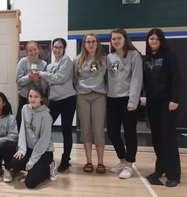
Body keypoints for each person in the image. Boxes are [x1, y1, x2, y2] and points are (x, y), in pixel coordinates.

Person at [142, 28, 181, 187]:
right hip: (153, 104)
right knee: (157, 139)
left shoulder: (169, 56)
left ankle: (174, 174)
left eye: (156, 39)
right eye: (151, 39)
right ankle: (160, 169)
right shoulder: (147, 58)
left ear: (161, 40)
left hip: (167, 103)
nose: (153, 42)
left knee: (168, 138)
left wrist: (175, 99)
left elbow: (177, 78)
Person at [106, 28, 143, 179]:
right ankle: (122, 160)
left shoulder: (134, 55)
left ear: (125, 39)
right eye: (113, 39)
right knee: (112, 132)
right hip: (112, 100)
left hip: (128, 100)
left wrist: (133, 101)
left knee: (129, 133)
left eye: (118, 38)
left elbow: (137, 78)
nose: (116, 41)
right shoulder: (109, 57)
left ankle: (129, 163)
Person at [39, 38, 76, 172]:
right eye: (55, 47)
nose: (57, 49)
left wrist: (43, 74)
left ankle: (66, 160)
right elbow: (48, 83)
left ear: (64, 48)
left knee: (66, 130)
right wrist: (39, 78)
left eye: (60, 47)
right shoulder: (49, 66)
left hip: (68, 99)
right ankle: (46, 156)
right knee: (45, 126)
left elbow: (60, 78)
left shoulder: (67, 60)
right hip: (54, 100)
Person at [9, 86, 55, 189]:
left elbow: (44, 141)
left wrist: (32, 161)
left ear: (41, 98)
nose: (32, 99)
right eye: (30, 96)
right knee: (14, 162)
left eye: (36, 96)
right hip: (29, 149)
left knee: (30, 183)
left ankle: (48, 168)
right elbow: (22, 131)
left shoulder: (46, 116)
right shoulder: (25, 109)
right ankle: (34, 168)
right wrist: (21, 149)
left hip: (44, 152)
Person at [74, 34, 107, 173]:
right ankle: (88, 161)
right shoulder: (77, 60)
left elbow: (109, 77)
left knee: (98, 129)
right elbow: (74, 78)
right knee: (86, 129)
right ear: (84, 44)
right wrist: (79, 90)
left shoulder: (104, 59)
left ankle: (100, 162)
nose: (91, 44)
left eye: (93, 41)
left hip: (99, 96)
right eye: (88, 42)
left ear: (97, 43)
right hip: (83, 97)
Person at [16, 41, 48, 130]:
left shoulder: (44, 64)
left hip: (38, 101)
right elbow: (18, 81)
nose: (33, 52)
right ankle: (21, 143)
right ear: (26, 52)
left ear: (38, 50)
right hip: (24, 98)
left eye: (35, 49)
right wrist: (29, 77)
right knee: (21, 123)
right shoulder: (22, 62)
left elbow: (45, 86)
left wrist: (38, 81)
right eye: (30, 50)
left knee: (36, 125)